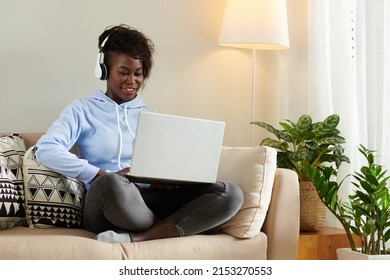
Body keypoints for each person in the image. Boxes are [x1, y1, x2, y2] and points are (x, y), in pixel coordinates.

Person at [35, 24, 244, 243]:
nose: (132, 81)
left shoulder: (151, 117)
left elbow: (167, 165)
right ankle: (177, 226)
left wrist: (165, 181)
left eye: (138, 74)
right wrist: (100, 175)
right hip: (107, 201)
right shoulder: (82, 109)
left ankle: (139, 237)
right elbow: (47, 150)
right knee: (112, 184)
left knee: (230, 193)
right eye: (124, 73)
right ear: (104, 70)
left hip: (150, 200)